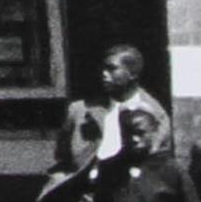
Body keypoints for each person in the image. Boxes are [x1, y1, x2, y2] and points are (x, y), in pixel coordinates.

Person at [52, 46, 171, 179]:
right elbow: (62, 159)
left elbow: (158, 164)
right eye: (103, 68)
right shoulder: (80, 111)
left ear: (132, 73)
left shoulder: (156, 116)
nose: (104, 73)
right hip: (86, 188)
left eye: (112, 68)